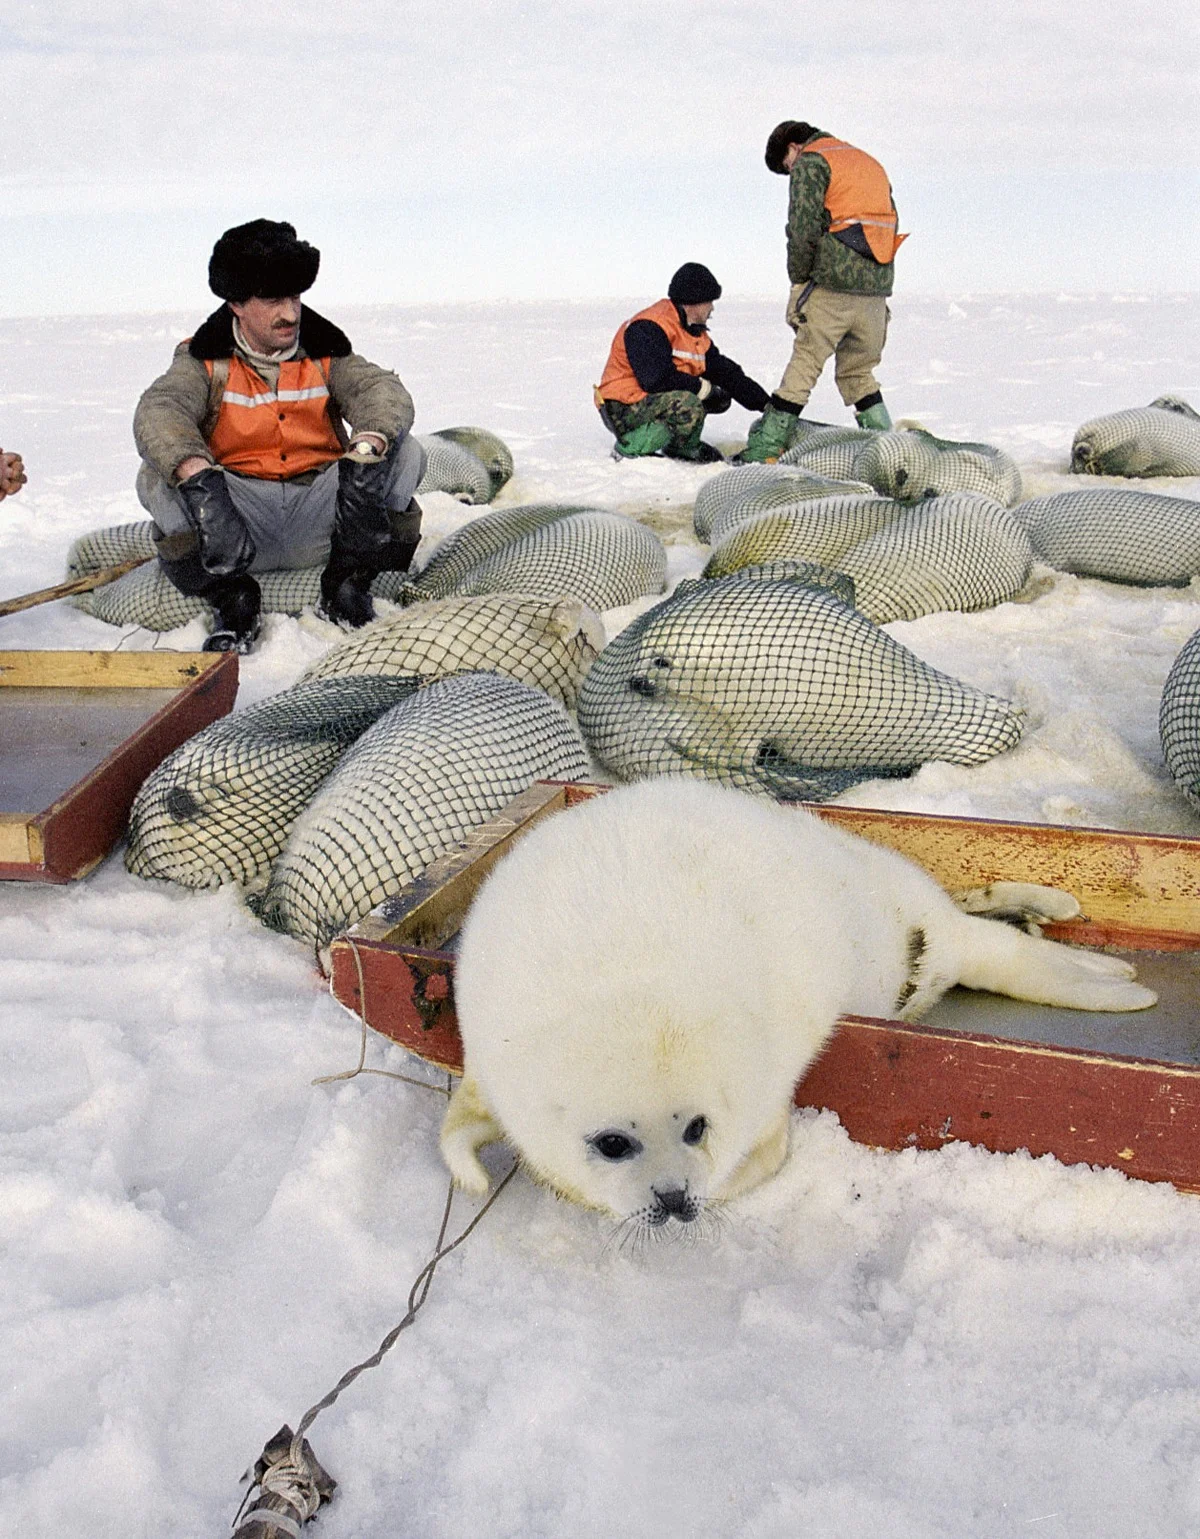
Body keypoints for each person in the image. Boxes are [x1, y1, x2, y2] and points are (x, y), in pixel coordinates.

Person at [134, 219, 425, 652]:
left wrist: (367, 447)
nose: (289, 312)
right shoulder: (202, 363)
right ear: (236, 303)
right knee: (156, 474)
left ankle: (348, 582)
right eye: (271, 299)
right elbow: (159, 410)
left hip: (323, 516)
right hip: (237, 523)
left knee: (407, 452)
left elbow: (380, 391)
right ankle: (230, 595)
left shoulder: (326, 351)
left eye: (294, 296)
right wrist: (198, 476)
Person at [739, 121, 906, 463]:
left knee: (805, 364)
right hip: (876, 290)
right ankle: (889, 453)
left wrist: (798, 284)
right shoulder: (868, 163)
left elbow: (802, 229)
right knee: (858, 373)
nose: (792, 171)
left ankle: (765, 449)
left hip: (833, 285)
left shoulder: (813, 160)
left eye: (787, 166)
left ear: (793, 147)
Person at [596, 263, 770, 463]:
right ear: (693, 302)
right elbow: (655, 380)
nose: (712, 308)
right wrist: (704, 388)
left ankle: (682, 447)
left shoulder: (693, 333)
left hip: (649, 402)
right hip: (621, 406)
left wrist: (765, 404)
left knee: (715, 397)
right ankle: (629, 448)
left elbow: (726, 373)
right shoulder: (649, 326)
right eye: (709, 302)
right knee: (689, 403)